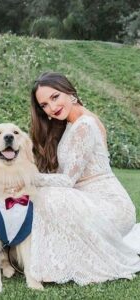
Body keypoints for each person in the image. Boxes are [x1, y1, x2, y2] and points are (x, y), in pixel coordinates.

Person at [29, 72, 140, 285]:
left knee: (48, 195)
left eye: (55, 97)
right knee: (44, 194)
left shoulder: (85, 125)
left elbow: (67, 181)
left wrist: (28, 178)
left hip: (111, 207)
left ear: (70, 92)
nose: (51, 108)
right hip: (87, 200)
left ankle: (50, 264)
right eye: (44, 105)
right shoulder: (72, 124)